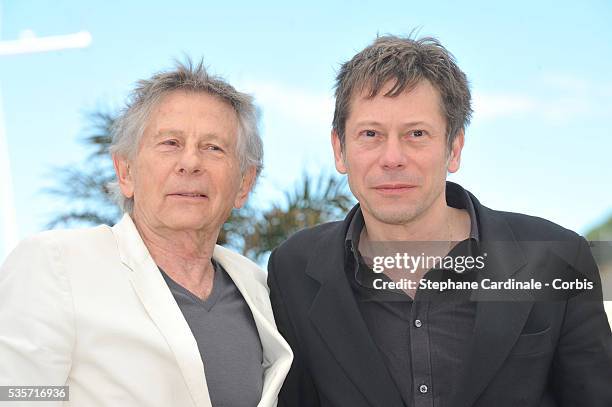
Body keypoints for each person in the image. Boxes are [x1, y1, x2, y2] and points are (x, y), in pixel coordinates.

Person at [267, 35, 612, 407]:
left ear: (454, 148)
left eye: (417, 134)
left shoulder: (556, 258)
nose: (393, 157)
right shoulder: (293, 270)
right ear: (340, 149)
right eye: (370, 134)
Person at [0, 60, 292, 407]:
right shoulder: (56, 264)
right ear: (125, 171)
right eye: (170, 142)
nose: (191, 162)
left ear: (244, 183)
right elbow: (18, 395)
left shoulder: (258, 288)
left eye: (214, 147)